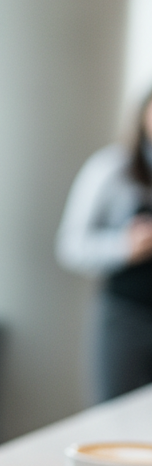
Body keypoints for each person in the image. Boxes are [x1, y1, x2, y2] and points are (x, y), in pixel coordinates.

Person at [56, 89, 152, 400]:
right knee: (112, 418)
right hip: (125, 317)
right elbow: (70, 245)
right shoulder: (112, 168)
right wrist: (125, 246)